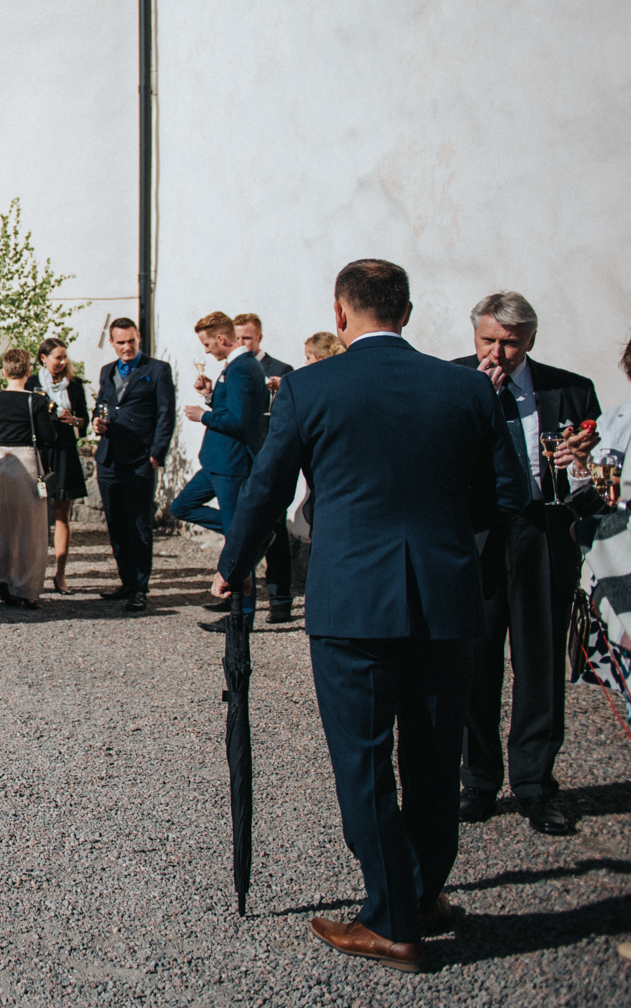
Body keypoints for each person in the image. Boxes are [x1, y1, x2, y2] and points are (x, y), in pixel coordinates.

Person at [215, 259, 528, 972]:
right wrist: (446, 534)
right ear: (409, 313)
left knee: (363, 760)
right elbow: (504, 493)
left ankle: (392, 920)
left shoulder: (309, 384)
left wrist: (233, 565)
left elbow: (267, 487)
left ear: (341, 310)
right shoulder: (466, 388)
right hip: (445, 595)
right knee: (431, 755)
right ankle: (420, 893)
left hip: (353, 597)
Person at [454, 291, 602, 836]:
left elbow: (594, 494)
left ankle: (537, 785)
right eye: (489, 340)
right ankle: (478, 782)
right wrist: (477, 402)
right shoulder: (452, 383)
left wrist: (581, 469)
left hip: (542, 532)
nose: (499, 352)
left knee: (539, 663)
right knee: (475, 662)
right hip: (479, 537)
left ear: (531, 340)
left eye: (511, 342)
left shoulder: (571, 389)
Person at [171, 311, 269, 630]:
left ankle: (242, 616)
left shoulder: (242, 368)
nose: (207, 351)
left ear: (222, 340)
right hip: (216, 463)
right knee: (182, 506)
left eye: (207, 344)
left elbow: (239, 422)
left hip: (231, 465)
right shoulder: (235, 367)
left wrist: (204, 415)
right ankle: (246, 532)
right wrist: (212, 397)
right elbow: (232, 410)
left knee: (238, 535)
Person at [93, 318, 175, 612]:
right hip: (109, 458)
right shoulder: (107, 371)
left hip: (140, 459)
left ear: (138, 338)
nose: (127, 347)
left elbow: (166, 414)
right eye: (121, 343)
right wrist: (96, 422)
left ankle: (140, 587)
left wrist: (157, 453)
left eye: (131, 341)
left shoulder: (157, 370)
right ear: (112, 343)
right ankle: (126, 581)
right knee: (116, 523)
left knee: (139, 524)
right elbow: (102, 404)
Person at [0, 347, 60, 608]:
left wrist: (1, 442)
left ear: (4, 372)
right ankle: (26, 587)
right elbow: (49, 437)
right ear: (28, 372)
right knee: (30, 529)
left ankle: (1, 579)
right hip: (26, 460)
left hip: (2, 460)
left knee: (1, 525)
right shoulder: (36, 400)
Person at [232, 312, 297, 622]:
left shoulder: (282, 371)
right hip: (242, 458)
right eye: (238, 338)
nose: (242, 343)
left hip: (270, 459)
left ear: (258, 338)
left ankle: (280, 600)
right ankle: (237, 594)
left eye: (247, 338)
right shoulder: (233, 369)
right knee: (242, 526)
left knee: (275, 531)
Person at [24, 336, 89, 594]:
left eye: (64, 357)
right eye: (57, 357)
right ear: (43, 358)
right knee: (35, 514)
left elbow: (85, 420)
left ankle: (60, 574)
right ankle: (33, 571)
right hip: (39, 450)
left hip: (64, 450)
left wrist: (75, 421)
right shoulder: (31, 384)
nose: (62, 362)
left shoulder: (74, 385)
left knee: (62, 514)